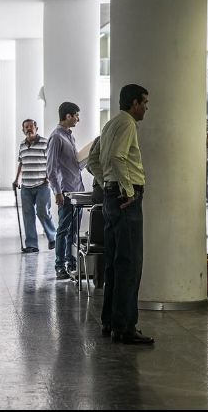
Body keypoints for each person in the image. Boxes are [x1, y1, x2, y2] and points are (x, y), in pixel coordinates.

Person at [88, 83, 153, 345]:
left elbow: (93, 159)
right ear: (134, 103)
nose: (146, 108)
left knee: (115, 263)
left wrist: (107, 184)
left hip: (111, 198)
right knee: (130, 264)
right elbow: (116, 156)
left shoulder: (110, 124)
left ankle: (110, 321)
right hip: (126, 199)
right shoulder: (127, 123)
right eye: (145, 103)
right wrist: (126, 190)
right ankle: (125, 326)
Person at [46, 101, 84, 280]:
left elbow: (71, 164)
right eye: (76, 115)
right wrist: (57, 192)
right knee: (64, 229)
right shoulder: (56, 137)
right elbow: (51, 168)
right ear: (68, 116)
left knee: (74, 230)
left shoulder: (70, 136)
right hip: (66, 191)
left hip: (77, 190)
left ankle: (72, 263)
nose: (78, 118)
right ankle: (60, 265)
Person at [14, 119, 56, 254]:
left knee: (42, 211)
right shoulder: (21, 145)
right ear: (23, 130)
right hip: (26, 185)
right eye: (26, 127)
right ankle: (32, 244)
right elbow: (21, 163)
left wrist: (49, 177)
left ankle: (52, 237)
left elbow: (51, 162)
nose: (29, 129)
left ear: (36, 127)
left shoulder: (45, 142)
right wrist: (16, 179)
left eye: (31, 126)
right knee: (28, 215)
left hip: (42, 184)